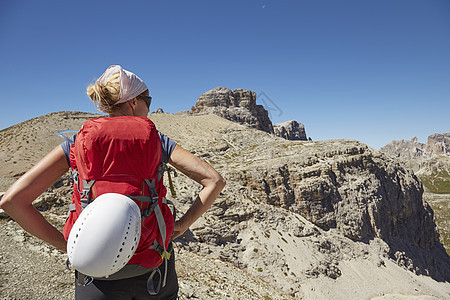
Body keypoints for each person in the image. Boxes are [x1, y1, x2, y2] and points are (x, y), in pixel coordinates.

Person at [0, 65, 226, 299]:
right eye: (147, 100)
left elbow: (12, 201)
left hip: (95, 278)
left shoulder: (78, 142)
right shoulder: (156, 140)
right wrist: (181, 225)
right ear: (132, 102)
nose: (148, 107)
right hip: (154, 272)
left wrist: (68, 246)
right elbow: (214, 181)